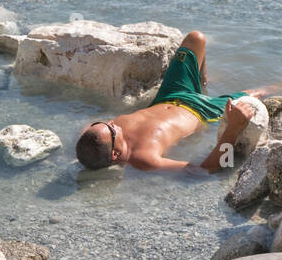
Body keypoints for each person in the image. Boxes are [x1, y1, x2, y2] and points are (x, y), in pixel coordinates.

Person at [75, 30, 257, 173]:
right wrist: (233, 128)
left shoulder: (97, 135)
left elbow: (88, 137)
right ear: (115, 154)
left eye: (104, 123)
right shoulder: (144, 158)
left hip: (169, 94)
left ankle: (202, 84)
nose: (112, 123)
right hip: (201, 111)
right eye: (111, 130)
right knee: (257, 95)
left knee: (196, 38)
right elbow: (205, 170)